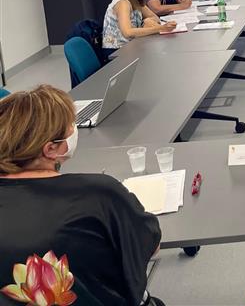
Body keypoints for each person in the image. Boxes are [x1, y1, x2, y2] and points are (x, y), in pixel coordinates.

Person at [0, 86, 163, 305]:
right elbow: (150, 245)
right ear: (50, 149)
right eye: (70, 125)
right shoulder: (99, 194)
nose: (74, 129)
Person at [102, 0, 175, 53]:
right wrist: (161, 28)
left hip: (131, 45)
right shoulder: (123, 3)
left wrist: (147, 22)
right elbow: (127, 32)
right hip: (117, 50)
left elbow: (155, 18)